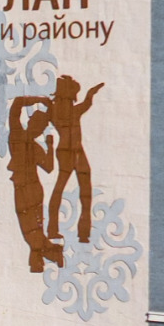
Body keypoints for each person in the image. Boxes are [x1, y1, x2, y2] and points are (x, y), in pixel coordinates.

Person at [45, 76, 105, 243]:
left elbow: (86, 103)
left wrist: (91, 93)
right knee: (68, 190)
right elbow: (86, 103)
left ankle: (80, 232)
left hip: (75, 151)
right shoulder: (63, 111)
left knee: (81, 190)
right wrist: (90, 94)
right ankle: (57, 230)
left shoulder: (59, 111)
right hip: (69, 152)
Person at [6, 96, 63, 272]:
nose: (37, 129)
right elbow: (49, 167)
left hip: (27, 188)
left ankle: (48, 255)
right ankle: (45, 257)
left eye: (40, 126)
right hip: (30, 187)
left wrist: (43, 102)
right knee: (32, 229)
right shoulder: (19, 137)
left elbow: (49, 168)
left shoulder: (19, 137)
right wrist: (44, 102)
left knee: (31, 229)